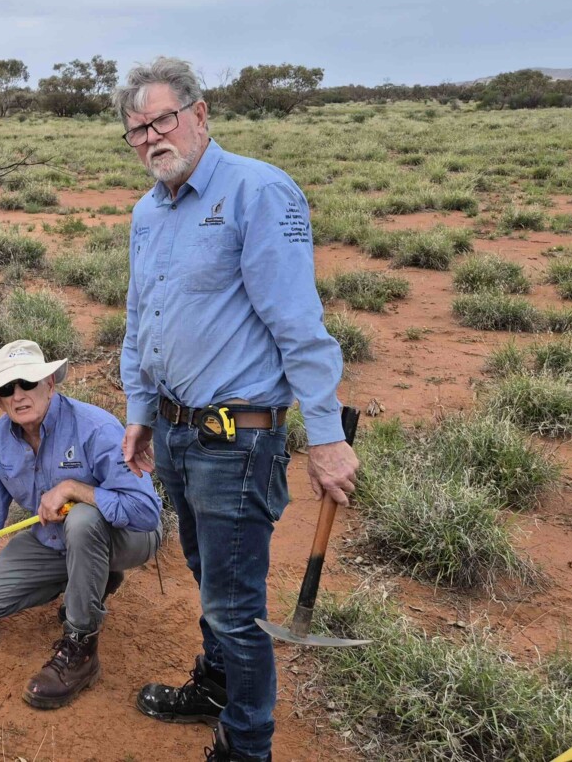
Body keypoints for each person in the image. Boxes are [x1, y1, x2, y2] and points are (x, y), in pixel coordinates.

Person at [115, 57, 360, 762]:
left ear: (200, 114)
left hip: (236, 439)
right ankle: (217, 685)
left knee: (234, 601)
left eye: (162, 119)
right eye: (138, 129)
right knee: (208, 573)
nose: (152, 136)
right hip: (174, 431)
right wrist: (140, 410)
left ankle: (245, 746)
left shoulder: (258, 191)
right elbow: (141, 320)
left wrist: (324, 435)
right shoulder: (147, 209)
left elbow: (298, 324)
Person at [0, 340, 161, 710]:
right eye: (6, 389)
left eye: (28, 382)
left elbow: (146, 511)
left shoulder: (95, 428)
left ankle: (81, 647)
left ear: (50, 384)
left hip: (129, 536)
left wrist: (76, 488)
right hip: (54, 540)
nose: (18, 395)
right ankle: (94, 578)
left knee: (82, 518)